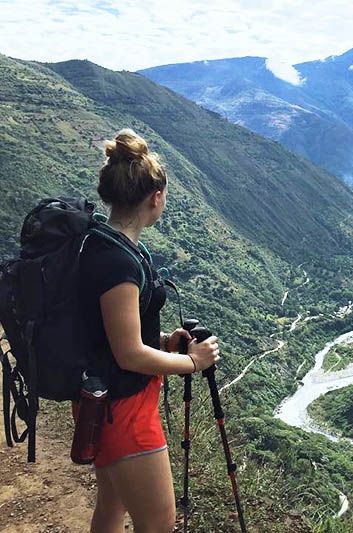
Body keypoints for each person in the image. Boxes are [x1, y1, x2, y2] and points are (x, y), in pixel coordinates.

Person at [78, 128, 220, 533]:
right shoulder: (119, 264)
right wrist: (191, 361)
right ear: (155, 197)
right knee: (158, 522)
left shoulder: (102, 243)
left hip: (101, 398)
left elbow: (113, 332)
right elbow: (129, 355)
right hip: (123, 408)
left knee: (112, 505)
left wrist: (161, 342)